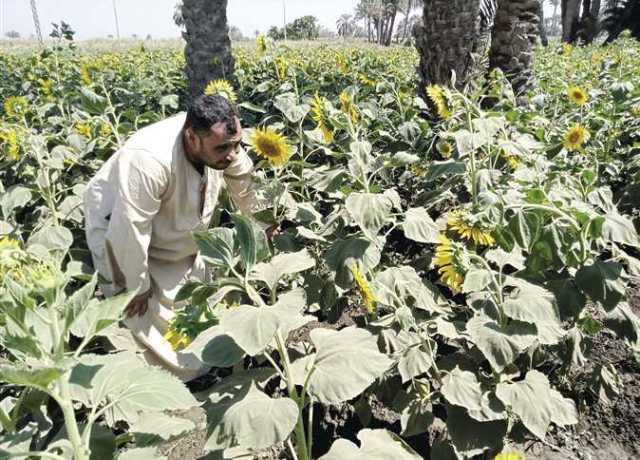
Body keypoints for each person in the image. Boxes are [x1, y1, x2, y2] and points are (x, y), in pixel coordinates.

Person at [83, 94, 268, 381]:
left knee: (191, 296)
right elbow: (129, 228)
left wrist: (261, 220)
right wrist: (136, 286)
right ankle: (158, 381)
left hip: (174, 229)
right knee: (140, 311)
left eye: (236, 144)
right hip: (120, 224)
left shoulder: (222, 141)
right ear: (192, 137)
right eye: (223, 148)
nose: (232, 153)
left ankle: (201, 362)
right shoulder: (149, 158)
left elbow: (242, 175)